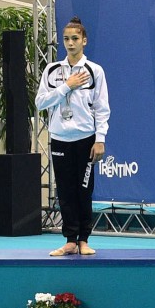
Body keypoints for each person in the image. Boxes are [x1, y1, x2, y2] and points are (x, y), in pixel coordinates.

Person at [33, 17, 110, 257]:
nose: (70, 43)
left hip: (85, 139)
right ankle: (69, 240)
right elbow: (40, 102)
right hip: (60, 138)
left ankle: (84, 239)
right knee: (65, 192)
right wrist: (67, 86)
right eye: (66, 39)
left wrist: (100, 139)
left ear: (84, 41)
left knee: (83, 191)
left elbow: (102, 108)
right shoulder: (52, 70)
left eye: (75, 38)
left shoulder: (94, 71)